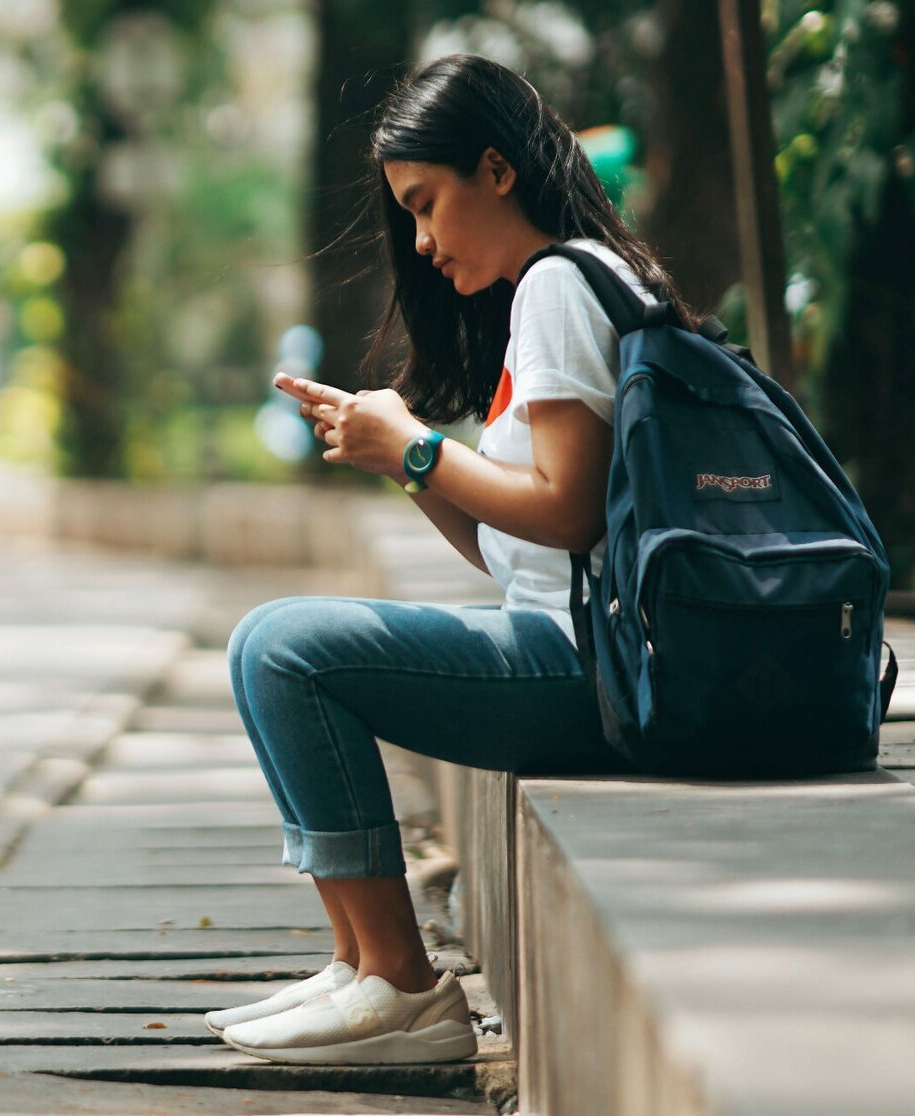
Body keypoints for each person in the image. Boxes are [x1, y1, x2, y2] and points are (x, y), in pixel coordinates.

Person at [210, 53, 700, 1065]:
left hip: (591, 669)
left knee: (282, 650)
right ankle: (358, 970)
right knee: (270, 641)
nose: (423, 242)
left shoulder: (561, 285)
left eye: (426, 205)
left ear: (496, 169)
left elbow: (564, 513)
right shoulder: (565, 284)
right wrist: (402, 465)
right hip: (580, 646)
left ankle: (398, 985)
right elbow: (514, 546)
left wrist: (418, 446)